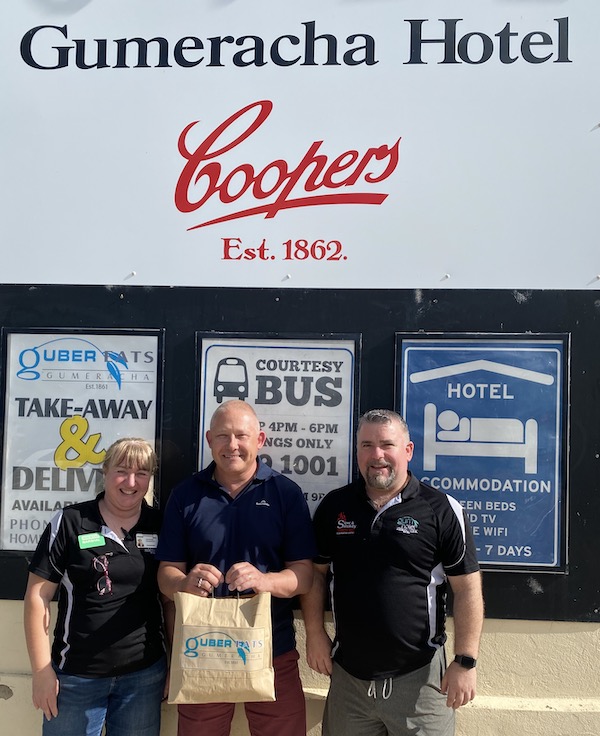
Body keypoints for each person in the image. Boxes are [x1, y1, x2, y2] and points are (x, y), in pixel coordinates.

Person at [301, 409, 484, 736]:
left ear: (408, 450)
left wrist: (465, 661)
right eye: (367, 445)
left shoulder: (441, 509)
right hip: (349, 681)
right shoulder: (334, 507)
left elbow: (468, 589)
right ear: (356, 451)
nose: (377, 455)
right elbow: (315, 575)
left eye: (387, 444)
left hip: (420, 681)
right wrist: (314, 633)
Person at [156, 399, 316, 736]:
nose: (232, 446)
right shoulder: (185, 495)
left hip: (272, 647)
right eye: (223, 436)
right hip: (202, 647)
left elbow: (303, 575)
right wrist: (183, 583)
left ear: (260, 440)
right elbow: (165, 573)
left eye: (241, 436)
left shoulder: (285, 494)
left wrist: (264, 580)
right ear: (209, 439)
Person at [24, 437, 172, 736]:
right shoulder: (70, 522)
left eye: (142, 473)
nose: (131, 481)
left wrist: (177, 665)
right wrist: (41, 671)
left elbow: (169, 601)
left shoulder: (161, 525)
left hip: (143, 677)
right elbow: (37, 598)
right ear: (104, 472)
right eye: (122, 470)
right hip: (76, 678)